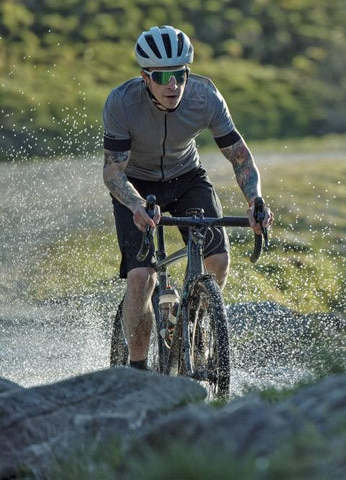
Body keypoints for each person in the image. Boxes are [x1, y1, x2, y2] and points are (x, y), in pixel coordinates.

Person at [102, 25, 273, 370]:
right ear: (145, 77)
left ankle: (196, 325)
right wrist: (135, 204)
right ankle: (136, 370)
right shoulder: (122, 103)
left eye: (179, 74)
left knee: (219, 260)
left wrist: (255, 199)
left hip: (186, 178)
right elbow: (113, 173)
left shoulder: (205, 96)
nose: (172, 85)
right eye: (162, 76)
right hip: (137, 185)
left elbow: (240, 157)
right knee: (142, 278)